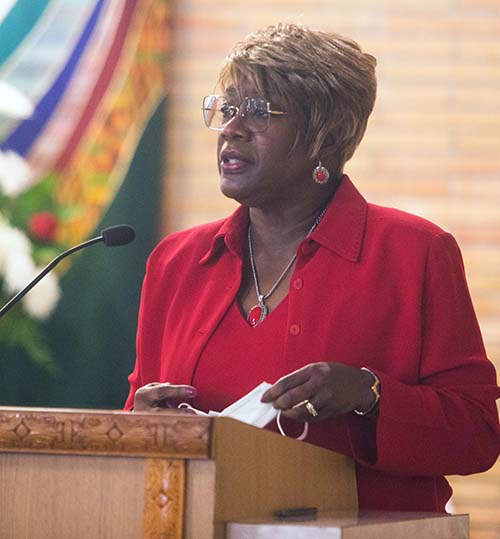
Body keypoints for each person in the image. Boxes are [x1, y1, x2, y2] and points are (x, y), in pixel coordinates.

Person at [125, 23, 500, 512]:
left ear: (327, 135)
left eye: (258, 111)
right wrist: (139, 421)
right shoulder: (176, 262)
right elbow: (135, 421)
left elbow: (477, 433)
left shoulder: (416, 253)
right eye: (227, 109)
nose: (232, 128)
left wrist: (368, 394)